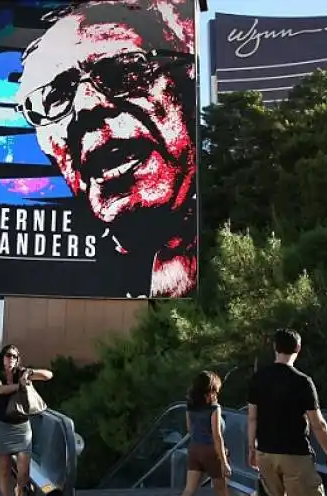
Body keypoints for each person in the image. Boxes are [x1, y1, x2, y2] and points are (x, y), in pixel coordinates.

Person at [15, 0, 198, 298]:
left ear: (185, 83)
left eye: (122, 71)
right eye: (57, 96)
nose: (86, 105)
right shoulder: (64, 281)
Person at [247, 329, 327, 496]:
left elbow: (252, 419)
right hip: (295, 455)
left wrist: (252, 448)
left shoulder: (259, 378)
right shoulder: (302, 381)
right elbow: (318, 424)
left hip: (265, 452)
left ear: (275, 347)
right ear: (298, 348)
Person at [0, 345, 53, 496]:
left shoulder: (22, 372)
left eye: (14, 357)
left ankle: (19, 490)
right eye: (8, 356)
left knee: (24, 471)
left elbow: (48, 375)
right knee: (4, 470)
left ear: (18, 359)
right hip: (2, 426)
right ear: (2, 358)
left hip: (22, 427)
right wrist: (21, 385)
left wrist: (30, 373)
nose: (11, 359)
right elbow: (0, 390)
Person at [175, 371, 234, 496]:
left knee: (188, 491)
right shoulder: (214, 408)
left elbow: (189, 429)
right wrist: (224, 461)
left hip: (194, 449)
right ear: (212, 388)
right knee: (221, 492)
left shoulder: (190, 405)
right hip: (211, 451)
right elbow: (217, 436)